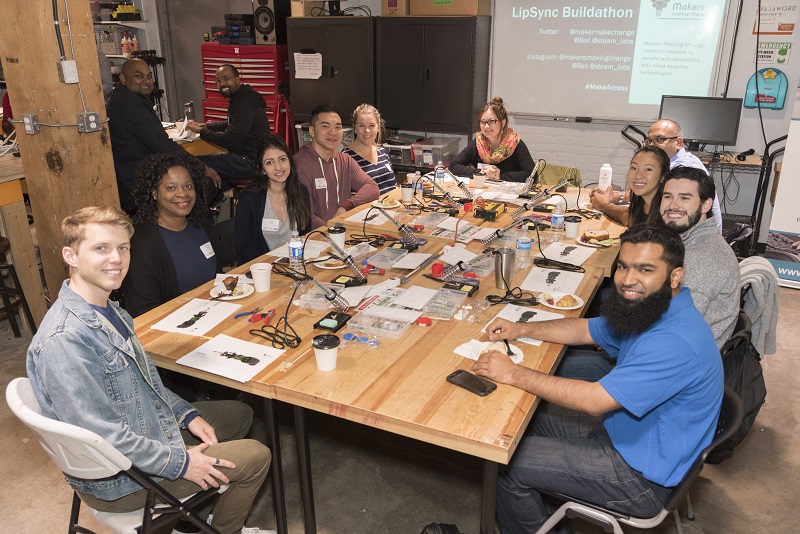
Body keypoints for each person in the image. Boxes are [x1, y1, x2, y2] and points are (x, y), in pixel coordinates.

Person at [26, 206, 272, 534]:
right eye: (101, 248)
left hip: (138, 432)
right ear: (70, 255)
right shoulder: (65, 342)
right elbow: (104, 438)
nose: (116, 258)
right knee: (256, 457)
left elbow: (144, 385)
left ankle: (194, 520)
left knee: (238, 414)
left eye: (122, 248)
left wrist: (185, 414)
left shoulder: (109, 309)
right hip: (118, 479)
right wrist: (182, 463)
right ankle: (221, 528)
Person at [472, 223, 723, 532]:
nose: (628, 280)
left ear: (675, 276)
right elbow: (586, 329)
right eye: (623, 267)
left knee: (506, 463)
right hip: (625, 434)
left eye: (645, 269)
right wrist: (522, 328)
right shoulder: (651, 307)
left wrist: (513, 373)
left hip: (641, 477)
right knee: (515, 421)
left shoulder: (675, 341)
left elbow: (593, 401)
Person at [107, 58, 220, 213]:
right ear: (123, 79)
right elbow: (163, 145)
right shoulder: (132, 105)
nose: (146, 81)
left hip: (134, 175)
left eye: (149, 76)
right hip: (138, 183)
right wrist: (202, 168)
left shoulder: (121, 98)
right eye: (139, 76)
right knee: (206, 184)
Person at [122, 151, 219, 318]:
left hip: (215, 314)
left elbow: (219, 279)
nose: (183, 193)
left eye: (188, 186)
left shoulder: (201, 225)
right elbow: (145, 311)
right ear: (154, 193)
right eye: (171, 188)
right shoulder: (142, 244)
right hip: (176, 330)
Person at [661, 166, 740, 347]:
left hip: (677, 362)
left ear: (706, 205)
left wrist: (621, 336)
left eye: (684, 198)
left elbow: (674, 327)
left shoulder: (703, 256)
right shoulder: (691, 240)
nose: (673, 205)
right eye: (667, 196)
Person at [295, 105, 379, 229]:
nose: (333, 132)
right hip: (316, 238)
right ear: (312, 131)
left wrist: (346, 206)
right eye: (325, 126)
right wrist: (334, 230)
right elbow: (307, 218)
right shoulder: (300, 164)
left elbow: (372, 188)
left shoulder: (344, 160)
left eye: (338, 127)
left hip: (342, 232)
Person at [186, 64, 270, 189]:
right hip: (249, 158)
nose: (222, 84)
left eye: (226, 79)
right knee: (207, 165)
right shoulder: (243, 96)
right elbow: (233, 123)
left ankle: (208, 201)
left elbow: (230, 140)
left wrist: (201, 131)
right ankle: (215, 198)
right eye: (218, 81)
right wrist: (207, 126)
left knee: (193, 163)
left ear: (237, 79)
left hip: (249, 162)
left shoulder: (244, 104)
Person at [235, 134, 312, 265]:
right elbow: (243, 246)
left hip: (294, 264)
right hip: (261, 268)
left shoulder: (300, 191)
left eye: (282, 159)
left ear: (290, 162)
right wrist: (275, 263)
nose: (278, 167)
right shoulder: (249, 199)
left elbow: (305, 235)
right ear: (262, 170)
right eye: (269, 162)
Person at [643, 119, 723, 231]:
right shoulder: (673, 161)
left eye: (659, 139)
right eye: (649, 141)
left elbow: (650, 204)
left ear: (678, 143)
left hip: (694, 238)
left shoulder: (681, 169)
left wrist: (609, 205)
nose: (651, 146)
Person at [448, 97, 535, 182]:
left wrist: (500, 175)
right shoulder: (478, 143)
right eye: (483, 122)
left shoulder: (514, 143)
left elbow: (532, 175)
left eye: (492, 121)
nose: (486, 126)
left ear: (503, 123)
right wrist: (481, 173)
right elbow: (453, 166)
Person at [590, 146, 669, 227]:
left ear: (663, 177)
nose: (638, 175)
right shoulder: (642, 202)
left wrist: (602, 205)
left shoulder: (666, 214)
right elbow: (627, 217)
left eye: (648, 169)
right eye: (634, 168)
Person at [343, 103, 397, 195]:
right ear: (355, 128)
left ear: (378, 127)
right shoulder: (346, 158)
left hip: (393, 207)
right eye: (361, 126)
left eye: (371, 125)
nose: (367, 131)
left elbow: (393, 187)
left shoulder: (382, 152)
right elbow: (345, 197)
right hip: (365, 209)